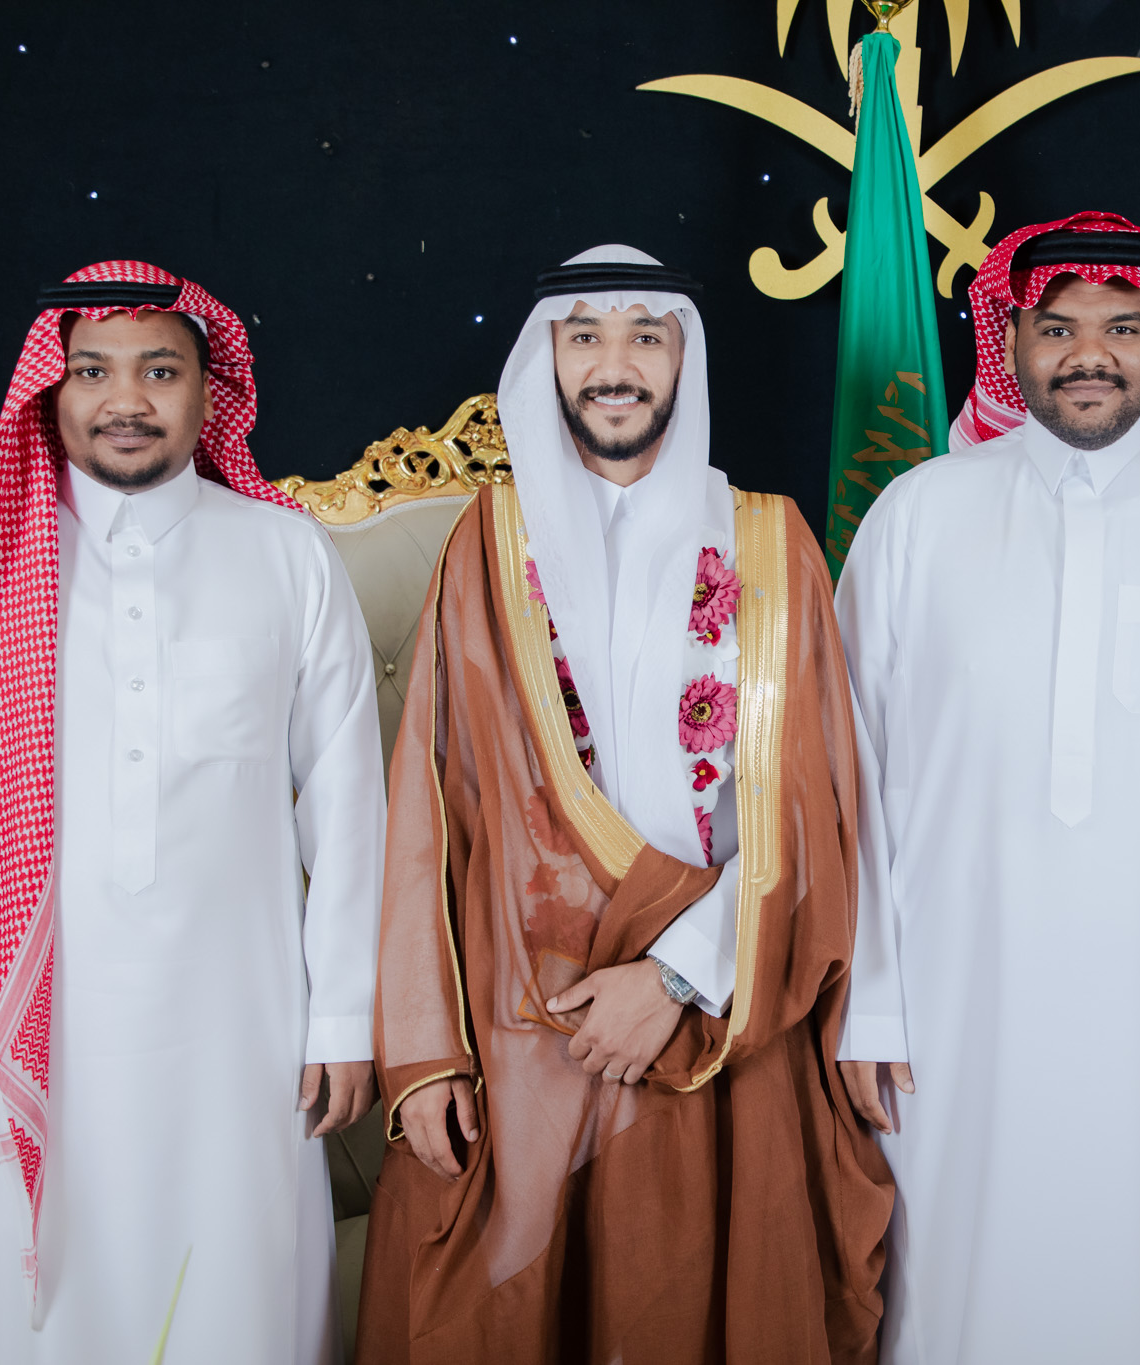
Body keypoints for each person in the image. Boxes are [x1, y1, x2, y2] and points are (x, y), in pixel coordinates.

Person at [0, 262, 385, 1362]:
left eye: (159, 371)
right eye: (92, 372)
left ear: (207, 392)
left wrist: (342, 1022)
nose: (126, 399)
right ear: (51, 388)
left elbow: (351, 808)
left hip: (239, 1036)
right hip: (6, 1038)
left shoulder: (286, 554)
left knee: (230, 1298)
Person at [355, 246, 894, 1363]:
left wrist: (677, 976)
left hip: (726, 1008)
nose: (616, 364)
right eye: (586, 335)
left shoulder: (769, 541)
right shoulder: (484, 548)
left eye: (646, 335)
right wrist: (425, 1053)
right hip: (523, 1017)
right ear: (545, 358)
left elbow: (816, 803)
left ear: (683, 360)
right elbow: (428, 810)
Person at [835, 211, 1140, 1363]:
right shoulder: (917, 515)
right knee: (967, 1287)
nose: (1088, 354)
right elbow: (847, 774)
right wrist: (871, 1002)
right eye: (1055, 329)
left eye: (1120, 327)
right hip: (952, 1004)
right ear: (1010, 343)